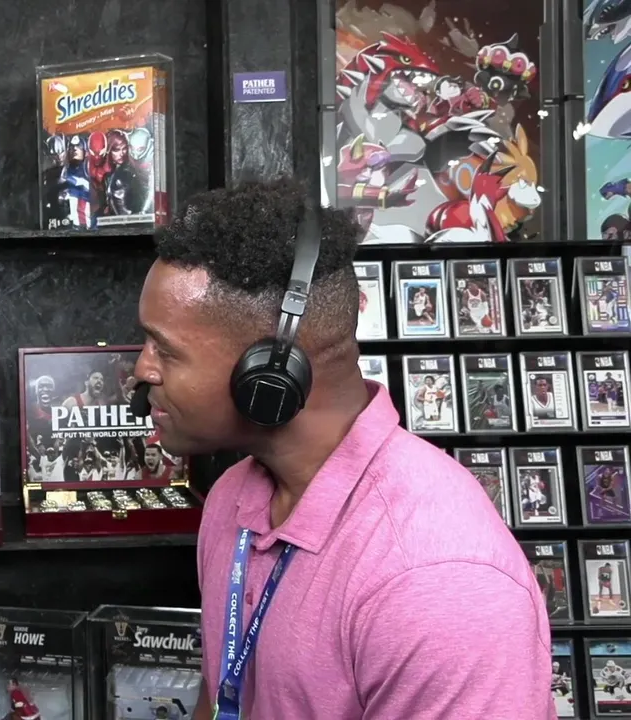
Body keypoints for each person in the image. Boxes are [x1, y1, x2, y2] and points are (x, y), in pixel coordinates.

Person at [132, 179, 551, 719]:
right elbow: (220, 698)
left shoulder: (436, 579)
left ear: (272, 371)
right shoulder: (232, 499)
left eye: (165, 350)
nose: (142, 369)